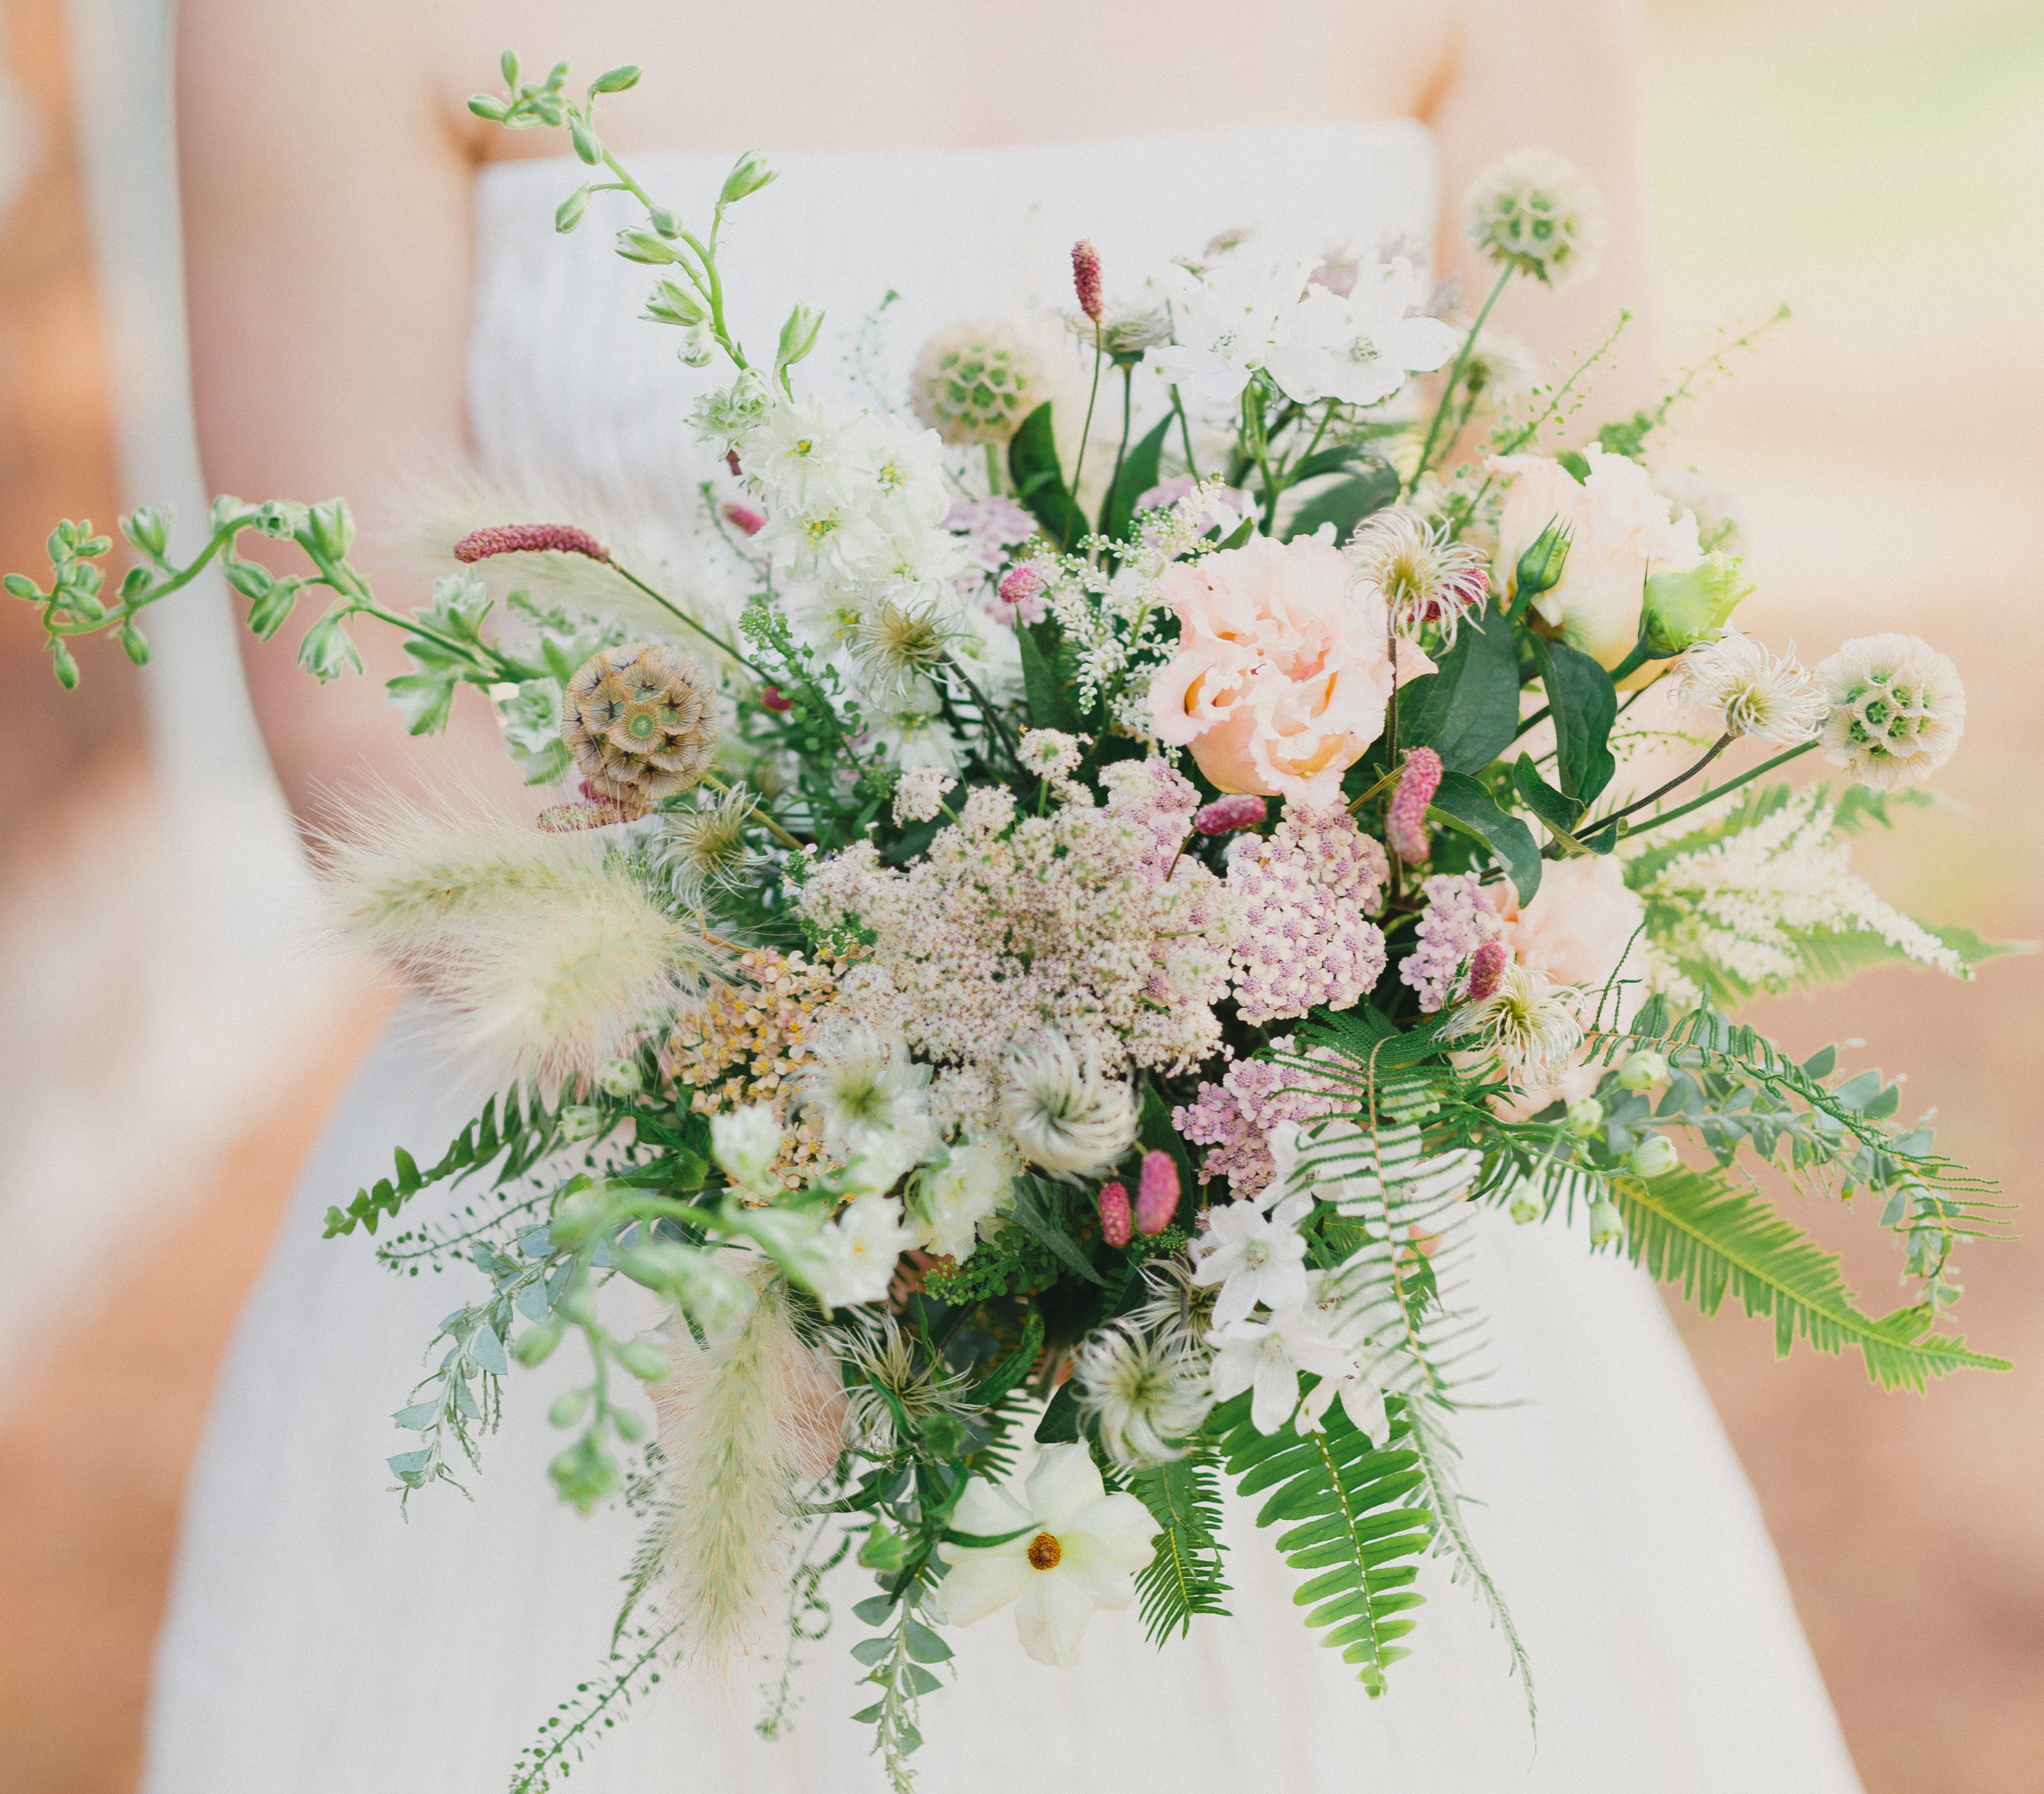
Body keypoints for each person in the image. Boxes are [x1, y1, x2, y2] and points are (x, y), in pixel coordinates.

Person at [147, 3, 1865, 1788]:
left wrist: (1257, 1044)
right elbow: (351, 687)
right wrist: (811, 1147)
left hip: (1309, 1223)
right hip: (658, 1212)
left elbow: (1586, 553)